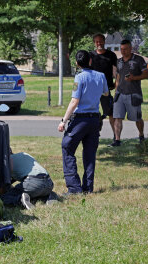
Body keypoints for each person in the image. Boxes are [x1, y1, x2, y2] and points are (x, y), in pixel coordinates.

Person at [58, 50, 108, 194]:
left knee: (67, 147)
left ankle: (74, 188)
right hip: (94, 120)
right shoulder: (101, 76)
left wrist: (63, 121)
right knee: (90, 154)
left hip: (80, 119)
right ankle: (88, 188)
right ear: (90, 61)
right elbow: (105, 93)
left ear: (77, 63)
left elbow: (74, 101)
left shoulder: (79, 78)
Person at [111, 40, 148, 146]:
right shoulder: (119, 61)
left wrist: (134, 78)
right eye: (121, 49)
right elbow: (118, 76)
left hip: (134, 94)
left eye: (125, 49)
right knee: (117, 117)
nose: (123, 51)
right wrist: (116, 90)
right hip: (120, 93)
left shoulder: (139, 60)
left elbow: (146, 74)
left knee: (137, 118)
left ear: (131, 48)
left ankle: (141, 135)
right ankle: (117, 140)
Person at [90, 33, 117, 139]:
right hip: (93, 90)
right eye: (97, 41)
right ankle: (93, 135)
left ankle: (116, 136)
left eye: (101, 41)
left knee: (110, 113)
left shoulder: (111, 55)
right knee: (91, 112)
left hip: (107, 89)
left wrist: (116, 83)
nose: (99, 43)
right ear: (94, 43)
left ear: (104, 41)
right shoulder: (90, 55)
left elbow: (115, 71)